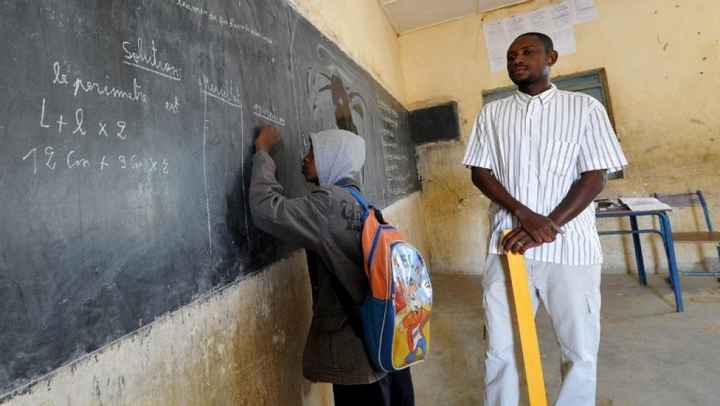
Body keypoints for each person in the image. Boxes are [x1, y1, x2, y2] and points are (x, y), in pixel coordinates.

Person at [463, 32, 628, 406]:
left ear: (550, 57)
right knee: (500, 347)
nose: (517, 59)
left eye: (527, 52)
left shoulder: (584, 108)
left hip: (570, 249)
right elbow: (480, 172)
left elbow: (595, 176)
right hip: (508, 245)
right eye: (511, 55)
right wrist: (524, 216)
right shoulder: (492, 114)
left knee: (579, 348)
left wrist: (549, 225)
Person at [249, 126, 414, 406]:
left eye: (313, 153)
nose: (304, 159)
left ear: (332, 158)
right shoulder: (364, 204)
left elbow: (266, 209)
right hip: (383, 341)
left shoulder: (328, 203)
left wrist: (262, 152)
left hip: (356, 354)